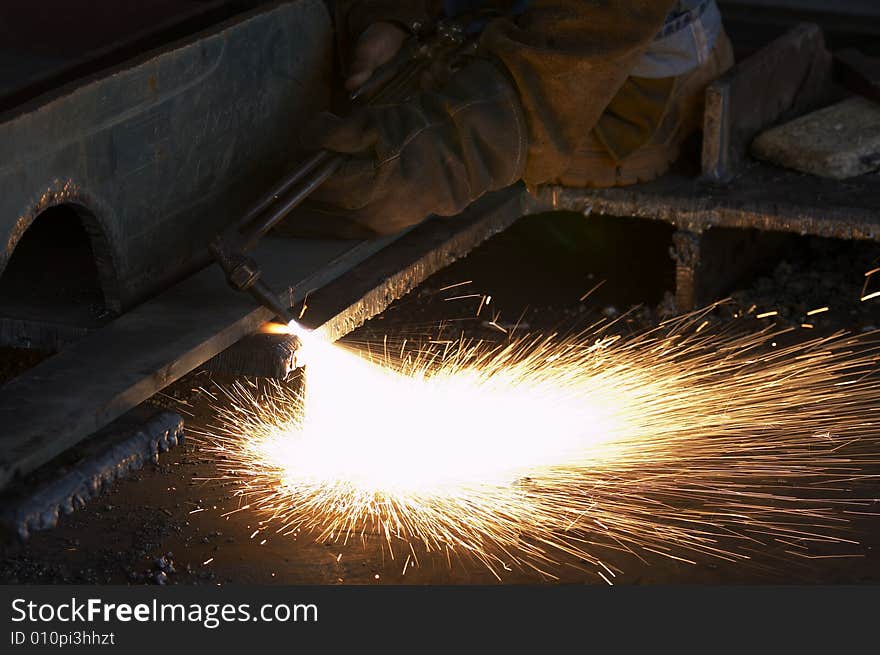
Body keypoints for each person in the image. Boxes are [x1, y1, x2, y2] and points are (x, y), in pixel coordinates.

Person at [300, 0, 734, 237]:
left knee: (485, 143)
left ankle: (680, 78)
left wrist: (456, 152)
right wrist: (396, 14)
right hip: (486, 16)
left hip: (617, 49)